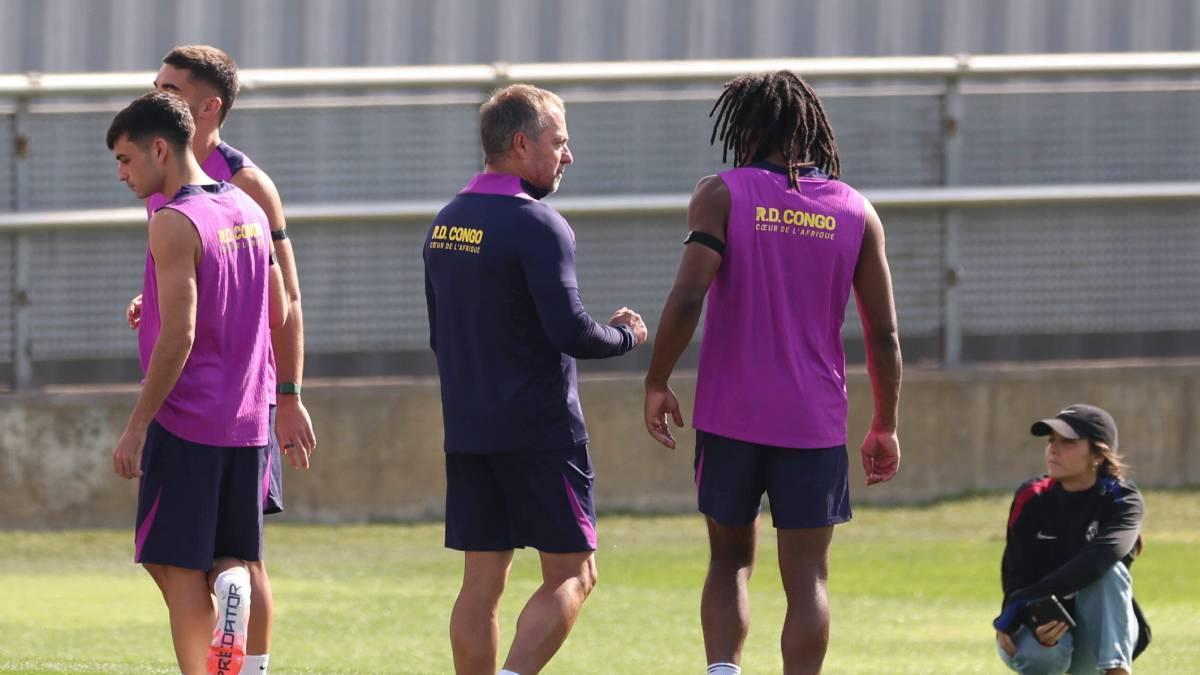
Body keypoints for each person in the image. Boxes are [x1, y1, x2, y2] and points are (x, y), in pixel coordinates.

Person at [642, 70, 903, 675]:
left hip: (730, 414)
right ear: (808, 131)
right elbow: (884, 333)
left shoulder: (721, 194)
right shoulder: (857, 211)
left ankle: (722, 670)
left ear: (747, 126)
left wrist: (656, 381)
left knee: (729, 559)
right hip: (813, 420)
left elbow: (688, 296)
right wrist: (885, 423)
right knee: (808, 575)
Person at [423, 83, 648, 675]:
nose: (568, 155)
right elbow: (572, 331)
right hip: (541, 433)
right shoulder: (538, 224)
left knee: (480, 585)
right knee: (575, 572)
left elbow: (439, 336)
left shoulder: (446, 222)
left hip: (469, 431)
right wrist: (626, 335)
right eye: (559, 142)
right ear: (522, 145)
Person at [125, 45, 315, 675]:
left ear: (208, 108)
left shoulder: (245, 186)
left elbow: (284, 299)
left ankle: (240, 667)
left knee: (186, 560)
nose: (157, 96)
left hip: (219, 402)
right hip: (234, 403)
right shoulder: (167, 179)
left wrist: (289, 394)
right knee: (231, 554)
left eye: (170, 90)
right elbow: (210, 279)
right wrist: (157, 299)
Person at [993, 404, 1150, 675]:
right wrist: (1021, 613)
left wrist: (1021, 601)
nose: (1053, 449)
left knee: (1110, 571)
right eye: (1051, 440)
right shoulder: (1031, 497)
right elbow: (1015, 571)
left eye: (1068, 442)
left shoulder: (1122, 499)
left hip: (1102, 636)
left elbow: (1098, 560)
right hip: (1039, 623)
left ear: (1098, 454)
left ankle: (1116, 671)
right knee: (1040, 657)